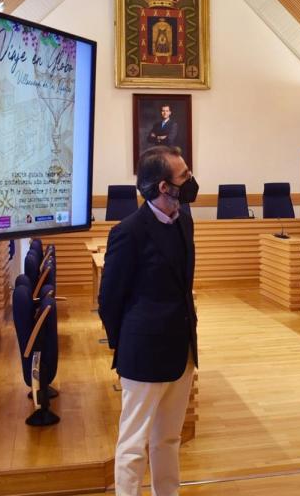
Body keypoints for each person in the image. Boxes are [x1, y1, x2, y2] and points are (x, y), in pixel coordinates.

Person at [98, 145, 200, 496]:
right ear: (162, 186)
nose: (190, 181)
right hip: (143, 354)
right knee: (133, 443)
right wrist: (124, 346)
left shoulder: (185, 219)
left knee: (168, 438)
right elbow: (109, 300)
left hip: (182, 350)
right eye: (184, 175)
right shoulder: (129, 232)